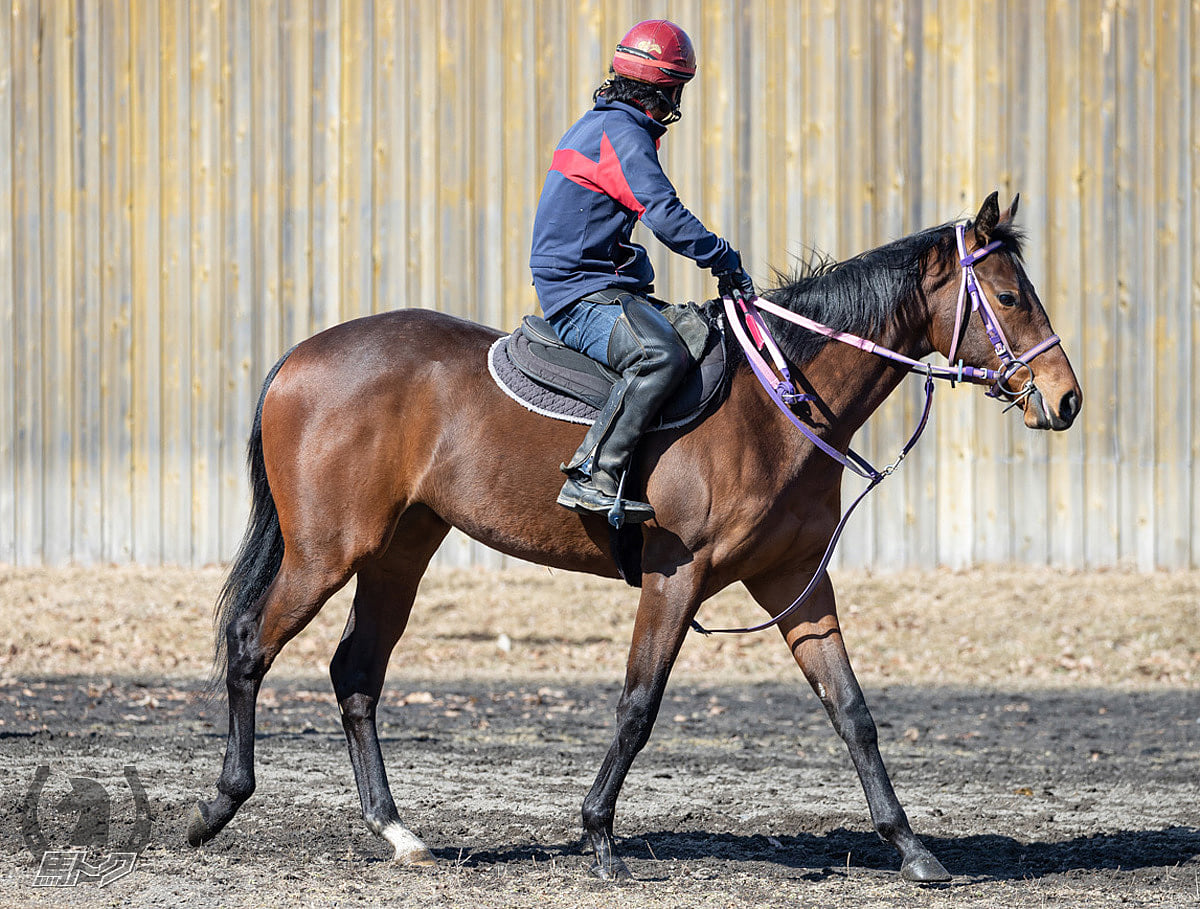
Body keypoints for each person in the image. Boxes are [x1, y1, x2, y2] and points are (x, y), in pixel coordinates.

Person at [529, 19, 755, 526]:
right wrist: (724, 257)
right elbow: (665, 214)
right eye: (677, 90)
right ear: (663, 88)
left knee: (695, 331)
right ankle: (594, 473)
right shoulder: (621, 132)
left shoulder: (603, 124)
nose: (676, 102)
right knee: (660, 354)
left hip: (598, 284)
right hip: (580, 295)